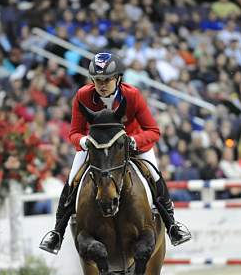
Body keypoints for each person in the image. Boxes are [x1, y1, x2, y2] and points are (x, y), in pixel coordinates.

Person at [39, 51, 192, 254]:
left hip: (132, 144)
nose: (101, 85)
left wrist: (134, 142)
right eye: (97, 80)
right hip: (98, 147)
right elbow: (74, 133)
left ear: (118, 78)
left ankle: (172, 226)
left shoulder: (132, 95)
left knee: (154, 175)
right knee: (72, 180)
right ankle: (57, 233)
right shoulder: (83, 96)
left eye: (107, 80)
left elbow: (154, 131)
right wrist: (84, 141)